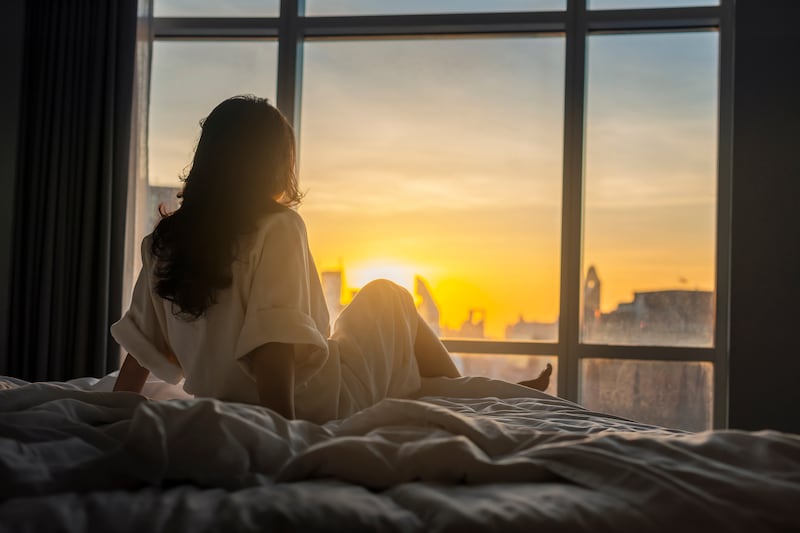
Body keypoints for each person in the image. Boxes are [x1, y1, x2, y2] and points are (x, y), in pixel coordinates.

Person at [112, 95, 552, 423]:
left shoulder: (160, 244)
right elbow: (273, 344)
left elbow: (140, 350)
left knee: (379, 319)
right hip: (312, 400)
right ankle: (481, 399)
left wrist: (115, 414)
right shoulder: (277, 226)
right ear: (272, 165)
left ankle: (481, 395)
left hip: (232, 403)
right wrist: (282, 429)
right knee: (388, 295)